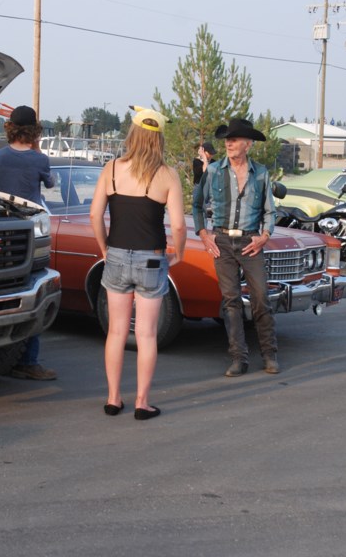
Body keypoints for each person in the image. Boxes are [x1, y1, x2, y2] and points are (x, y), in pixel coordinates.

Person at [90, 105, 186, 420]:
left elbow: (95, 215)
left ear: (132, 134)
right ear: (158, 139)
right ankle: (142, 402)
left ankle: (113, 398)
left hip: (116, 253)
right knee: (145, 334)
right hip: (153, 259)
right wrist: (180, 253)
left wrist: (105, 249)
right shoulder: (167, 174)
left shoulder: (112, 169)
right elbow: (179, 226)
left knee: (116, 332)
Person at [192, 118, 278, 377]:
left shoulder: (260, 173)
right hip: (222, 242)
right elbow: (197, 205)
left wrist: (264, 236)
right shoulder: (214, 171)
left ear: (248, 144)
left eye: (235, 138)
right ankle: (239, 359)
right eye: (227, 138)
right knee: (231, 302)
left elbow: (270, 210)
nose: (228, 143)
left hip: (251, 242)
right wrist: (204, 235)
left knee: (261, 298)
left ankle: (270, 355)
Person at [0, 105, 58, 380]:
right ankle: (28, 360)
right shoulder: (40, 160)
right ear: (35, 131)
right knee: (33, 292)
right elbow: (49, 184)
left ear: (10, 128)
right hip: (30, 238)